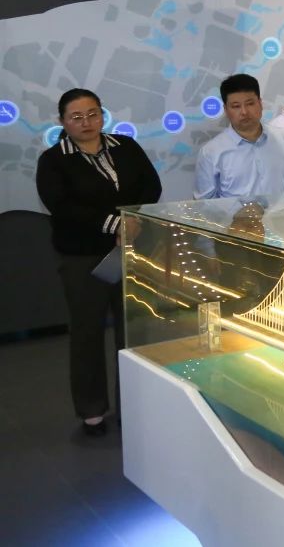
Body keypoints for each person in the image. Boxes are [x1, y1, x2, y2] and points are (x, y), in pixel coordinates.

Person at [35, 88, 162, 435]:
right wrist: (115, 224)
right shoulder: (53, 160)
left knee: (133, 329)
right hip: (83, 259)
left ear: (103, 115)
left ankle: (133, 403)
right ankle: (91, 411)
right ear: (62, 121)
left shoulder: (126, 146)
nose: (86, 122)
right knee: (87, 332)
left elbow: (151, 186)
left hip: (132, 249)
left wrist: (132, 221)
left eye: (93, 114)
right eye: (76, 117)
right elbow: (63, 206)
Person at [195, 73, 284, 199]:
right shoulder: (211, 152)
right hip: (235, 213)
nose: (244, 112)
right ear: (226, 110)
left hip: (281, 212)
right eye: (236, 106)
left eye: (250, 103)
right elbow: (205, 204)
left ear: (260, 103)